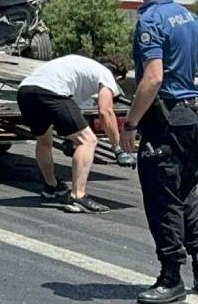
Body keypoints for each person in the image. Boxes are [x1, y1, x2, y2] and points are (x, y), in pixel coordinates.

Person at [120, 0, 198, 304]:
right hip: (192, 117)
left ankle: (171, 276)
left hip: (164, 122)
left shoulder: (151, 20)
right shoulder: (189, 17)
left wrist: (131, 123)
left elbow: (153, 77)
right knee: (189, 196)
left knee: (162, 199)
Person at [16, 55, 123, 214]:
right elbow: (105, 111)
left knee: (44, 140)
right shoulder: (106, 74)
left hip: (25, 92)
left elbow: (69, 114)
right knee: (88, 141)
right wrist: (118, 148)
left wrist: (69, 138)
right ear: (118, 77)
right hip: (50, 92)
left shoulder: (82, 67)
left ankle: (52, 186)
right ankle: (78, 197)